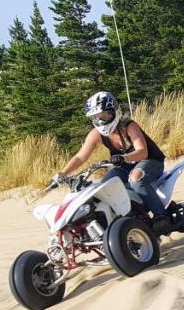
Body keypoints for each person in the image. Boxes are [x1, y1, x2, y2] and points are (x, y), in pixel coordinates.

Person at [57, 91, 171, 223]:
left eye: (103, 116)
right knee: (105, 187)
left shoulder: (129, 126)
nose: (100, 121)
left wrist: (124, 157)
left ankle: (161, 216)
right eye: (96, 117)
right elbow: (80, 157)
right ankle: (124, 219)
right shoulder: (96, 134)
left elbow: (142, 152)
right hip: (124, 167)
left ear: (113, 112)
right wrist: (62, 173)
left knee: (135, 178)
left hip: (150, 162)